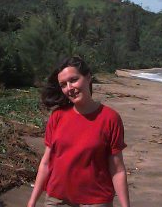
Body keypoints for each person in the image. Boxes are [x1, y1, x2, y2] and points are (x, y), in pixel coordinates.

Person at [27, 56, 130, 207]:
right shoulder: (57, 117)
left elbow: (117, 169)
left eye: (74, 80)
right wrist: (32, 202)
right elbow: (46, 163)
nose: (69, 88)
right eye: (63, 85)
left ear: (88, 78)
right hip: (56, 199)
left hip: (96, 201)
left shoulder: (110, 118)